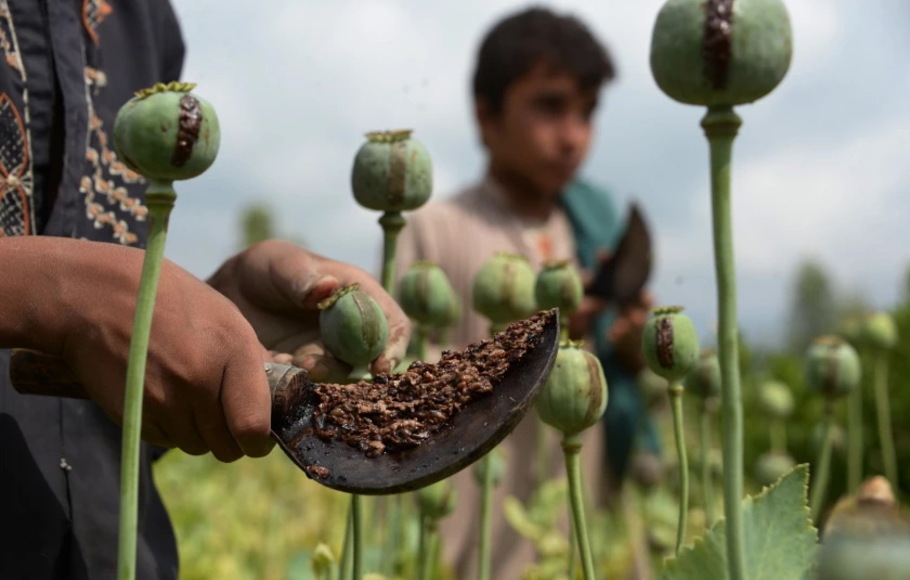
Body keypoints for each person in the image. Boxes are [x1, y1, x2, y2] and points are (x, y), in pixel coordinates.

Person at [0, 2, 409, 578]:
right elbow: (85, 298)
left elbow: (110, 387)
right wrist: (63, 290)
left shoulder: (142, 19)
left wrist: (213, 316)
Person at [396, 7, 653, 578]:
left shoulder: (593, 230)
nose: (573, 137)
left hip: (585, 525)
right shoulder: (432, 229)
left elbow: (619, 379)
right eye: (550, 106)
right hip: (473, 533)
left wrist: (630, 346)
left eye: (587, 112)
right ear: (486, 116)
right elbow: (402, 386)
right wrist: (537, 335)